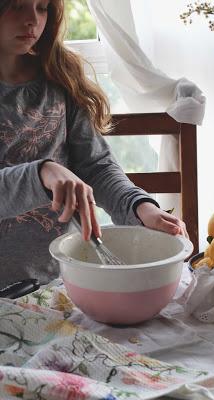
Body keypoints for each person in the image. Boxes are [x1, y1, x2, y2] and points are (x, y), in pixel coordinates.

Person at [0, 0, 187, 288]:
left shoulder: (60, 75)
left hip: (63, 279)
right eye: (18, 5)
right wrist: (42, 173)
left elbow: (97, 168)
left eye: (42, 7)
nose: (32, 20)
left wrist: (139, 206)